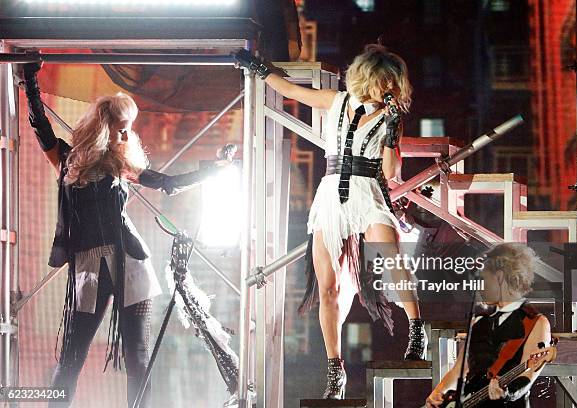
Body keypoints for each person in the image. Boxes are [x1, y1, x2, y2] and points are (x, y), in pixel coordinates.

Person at [20, 62, 225, 407]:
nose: (128, 136)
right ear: (103, 128)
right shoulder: (67, 161)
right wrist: (30, 79)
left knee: (138, 359)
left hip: (131, 262)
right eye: (122, 129)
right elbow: (40, 124)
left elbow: (168, 184)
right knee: (71, 358)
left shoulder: (121, 166)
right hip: (88, 264)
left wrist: (213, 171)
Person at [234, 44, 425, 399]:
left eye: (393, 86)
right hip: (331, 196)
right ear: (370, 78)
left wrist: (393, 135)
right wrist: (260, 69)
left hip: (368, 192)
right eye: (386, 83)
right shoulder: (337, 101)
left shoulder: (388, 119)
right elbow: (292, 91)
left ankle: (416, 329)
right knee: (328, 288)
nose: (390, 91)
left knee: (392, 258)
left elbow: (390, 172)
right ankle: (335, 371)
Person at [426, 243, 552, 408]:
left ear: (499, 277)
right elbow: (460, 369)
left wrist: (507, 393)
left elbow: (529, 373)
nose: (479, 287)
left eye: (483, 279)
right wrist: (437, 394)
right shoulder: (478, 321)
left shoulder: (535, 322)